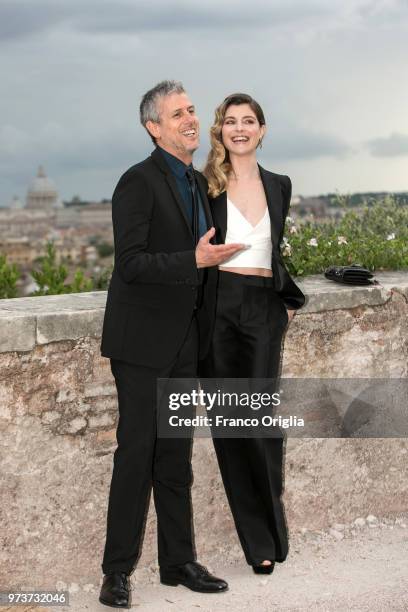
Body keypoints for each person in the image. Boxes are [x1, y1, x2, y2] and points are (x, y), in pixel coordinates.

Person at [99, 81, 245, 609]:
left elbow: (208, 256)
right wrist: (194, 261)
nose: (189, 118)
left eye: (190, 110)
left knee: (177, 456)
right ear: (153, 128)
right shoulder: (136, 182)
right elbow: (131, 264)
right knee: (136, 456)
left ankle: (177, 563)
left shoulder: (196, 182)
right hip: (141, 344)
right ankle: (115, 572)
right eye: (176, 113)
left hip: (185, 341)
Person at [201, 93, 305, 575]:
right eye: (230, 121)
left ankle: (273, 526)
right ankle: (259, 542)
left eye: (248, 121)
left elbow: (276, 251)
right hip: (218, 307)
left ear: (262, 130)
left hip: (263, 307)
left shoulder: (280, 185)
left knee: (259, 423)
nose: (239, 128)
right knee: (229, 425)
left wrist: (281, 304)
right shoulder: (204, 185)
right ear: (220, 131)